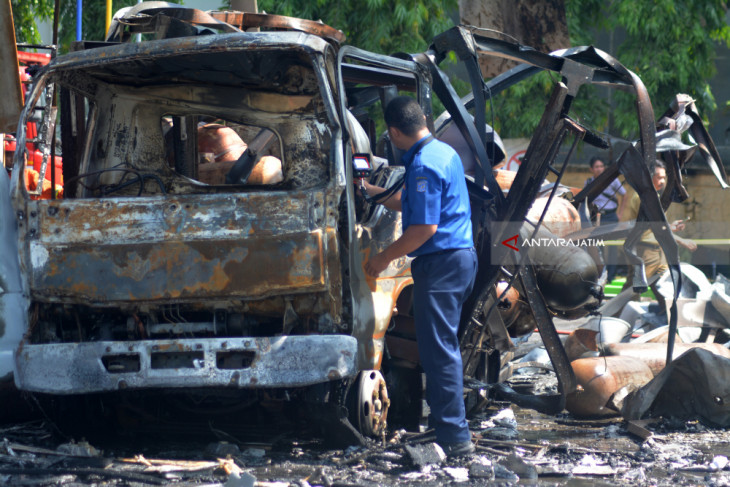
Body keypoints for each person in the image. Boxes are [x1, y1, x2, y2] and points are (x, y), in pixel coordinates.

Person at [360, 96, 478, 458]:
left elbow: (424, 226)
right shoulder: (444, 153)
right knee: (442, 348)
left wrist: (381, 259)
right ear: (422, 120)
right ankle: (446, 427)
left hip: (441, 263)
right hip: (458, 260)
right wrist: (369, 193)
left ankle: (455, 439)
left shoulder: (424, 164)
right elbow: (411, 201)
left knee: (439, 351)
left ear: (394, 132)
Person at [621, 161, 697, 313]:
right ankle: (612, 319)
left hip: (655, 251)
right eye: (659, 177)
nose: (662, 181)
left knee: (662, 287)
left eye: (664, 178)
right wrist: (682, 241)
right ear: (649, 177)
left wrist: (671, 226)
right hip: (645, 252)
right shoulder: (644, 197)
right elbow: (656, 227)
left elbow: (657, 225)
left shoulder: (651, 196)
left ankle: (668, 318)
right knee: (632, 291)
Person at [584, 156, 627, 282]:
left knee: (612, 246)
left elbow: (624, 195)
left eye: (601, 166)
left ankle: (611, 276)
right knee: (598, 247)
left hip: (612, 216)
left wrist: (620, 213)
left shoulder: (612, 181)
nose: (599, 169)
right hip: (597, 218)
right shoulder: (589, 182)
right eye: (596, 167)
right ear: (591, 169)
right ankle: (601, 274)